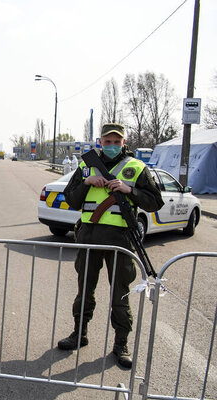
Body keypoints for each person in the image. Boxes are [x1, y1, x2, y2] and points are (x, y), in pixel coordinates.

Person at [57, 123, 164, 369]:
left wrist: (129, 189)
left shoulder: (136, 167)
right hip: (89, 238)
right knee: (85, 290)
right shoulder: (86, 165)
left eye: (117, 141)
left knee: (120, 295)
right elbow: (71, 200)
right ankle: (79, 334)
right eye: (108, 141)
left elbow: (155, 202)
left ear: (124, 142)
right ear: (100, 142)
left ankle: (120, 345)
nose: (112, 145)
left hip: (121, 242)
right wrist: (86, 183)